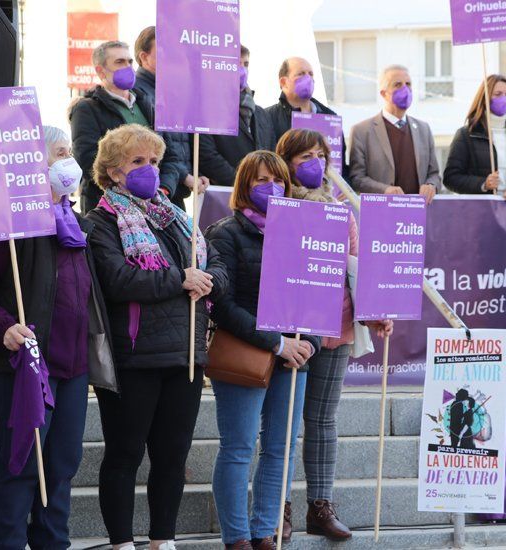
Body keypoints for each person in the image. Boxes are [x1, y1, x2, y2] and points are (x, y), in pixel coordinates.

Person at [0, 125, 108, 549]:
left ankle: (51, 543)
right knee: (21, 464)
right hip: (21, 364)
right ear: (33, 164)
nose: (69, 160)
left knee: (60, 466)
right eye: (60, 152)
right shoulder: (5, 223)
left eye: (69, 152)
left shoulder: (77, 224)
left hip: (73, 364)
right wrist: (3, 326)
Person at [86, 124, 228, 550]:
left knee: (172, 457)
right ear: (112, 172)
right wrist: (181, 280)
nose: (149, 169)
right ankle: (121, 542)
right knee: (125, 455)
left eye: (154, 161)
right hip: (135, 356)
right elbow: (119, 279)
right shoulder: (102, 221)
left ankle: (162, 539)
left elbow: (214, 263)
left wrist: (208, 282)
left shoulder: (176, 217)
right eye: (137, 162)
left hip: (185, 354)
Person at [275, 129, 393, 541]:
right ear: (286, 162)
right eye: (304, 156)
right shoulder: (279, 206)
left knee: (322, 419)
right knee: (284, 423)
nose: (314, 162)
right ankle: (279, 508)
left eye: (320, 155)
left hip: (337, 324)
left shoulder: (341, 210)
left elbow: (358, 266)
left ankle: (320, 507)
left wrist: (374, 312)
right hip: (292, 328)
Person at [205, 150, 322, 550]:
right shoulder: (224, 232)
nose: (271, 188)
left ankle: (264, 531)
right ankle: (236, 536)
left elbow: (320, 292)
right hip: (247, 353)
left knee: (281, 449)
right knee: (238, 448)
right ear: (243, 187)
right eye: (260, 181)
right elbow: (222, 305)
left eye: (277, 180)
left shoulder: (304, 229)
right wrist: (276, 343)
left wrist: (310, 341)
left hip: (296, 358)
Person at [70, 40, 181, 213]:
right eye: (119, 62)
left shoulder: (148, 103)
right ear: (100, 71)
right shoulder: (87, 109)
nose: (128, 67)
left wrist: (163, 187)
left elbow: (171, 156)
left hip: (154, 205)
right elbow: (87, 159)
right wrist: (127, 188)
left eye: (129, 62)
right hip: (111, 209)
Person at [132, 26, 209, 208]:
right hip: (156, 192)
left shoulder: (172, 91)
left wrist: (197, 173)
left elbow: (182, 142)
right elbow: (158, 145)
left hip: (175, 190)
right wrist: (184, 176)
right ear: (144, 57)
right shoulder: (139, 93)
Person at [349, 65, 442, 203]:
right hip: (381, 214)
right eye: (397, 84)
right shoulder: (362, 131)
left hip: (417, 214)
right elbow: (357, 179)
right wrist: (384, 190)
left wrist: (431, 185)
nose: (405, 89)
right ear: (383, 93)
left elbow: (434, 174)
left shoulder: (424, 129)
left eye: (408, 84)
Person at [200, 45, 277, 186]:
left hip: (261, 193)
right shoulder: (208, 108)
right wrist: (244, 182)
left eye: (246, 64)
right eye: (236, 63)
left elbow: (271, 155)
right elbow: (207, 155)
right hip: (225, 194)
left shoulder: (261, 114)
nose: (242, 69)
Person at [265, 56, 347, 178]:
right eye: (301, 74)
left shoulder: (330, 117)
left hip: (325, 193)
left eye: (311, 74)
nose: (308, 79)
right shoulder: (267, 117)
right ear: (283, 82)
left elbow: (342, 166)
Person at [444, 74, 506, 198]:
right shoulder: (466, 135)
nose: (504, 99)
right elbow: (451, 179)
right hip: (480, 211)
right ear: (485, 97)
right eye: (498, 94)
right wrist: (483, 184)